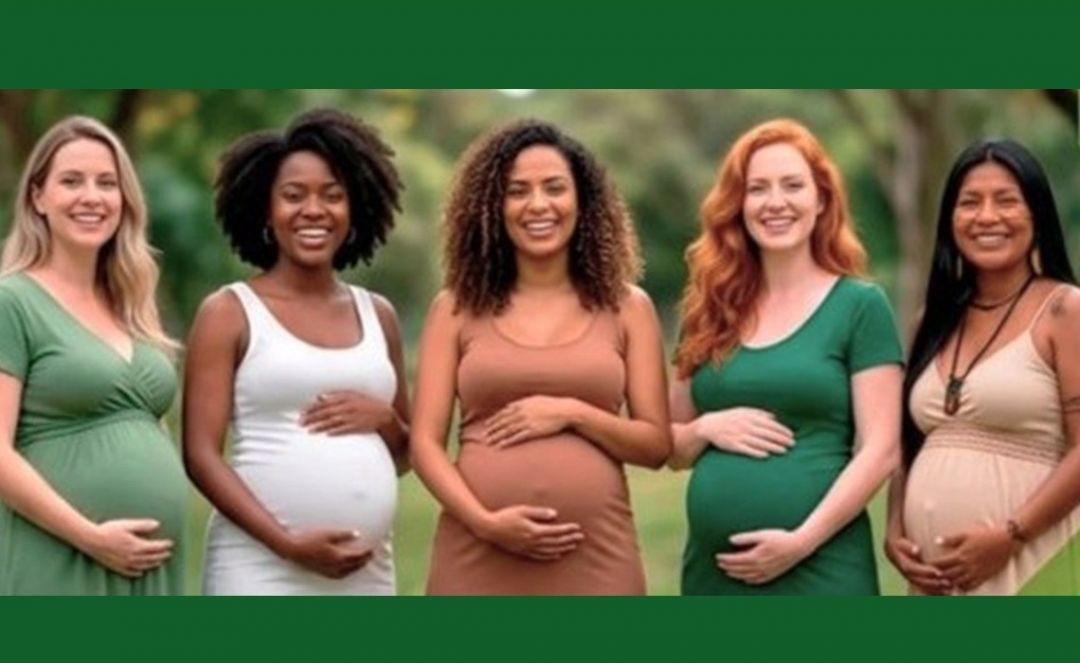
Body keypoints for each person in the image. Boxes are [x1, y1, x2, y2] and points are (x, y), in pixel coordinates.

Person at [411, 119, 671, 595]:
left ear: (582, 200)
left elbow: (656, 446)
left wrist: (571, 413)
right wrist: (485, 523)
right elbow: (425, 444)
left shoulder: (629, 307)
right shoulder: (454, 308)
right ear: (493, 206)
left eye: (554, 188)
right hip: (476, 552)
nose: (537, 205)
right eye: (517, 191)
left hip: (597, 559)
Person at [670, 118, 903, 595]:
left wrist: (800, 542)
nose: (775, 202)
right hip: (714, 579)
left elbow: (882, 450)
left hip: (822, 566)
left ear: (821, 200)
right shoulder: (708, 310)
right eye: (758, 188)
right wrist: (704, 428)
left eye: (792, 185)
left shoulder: (860, 306)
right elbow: (667, 445)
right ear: (739, 205)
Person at [183, 108, 409, 595]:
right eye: (293, 195)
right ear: (266, 210)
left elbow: (407, 454)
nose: (314, 210)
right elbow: (200, 456)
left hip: (365, 575)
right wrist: (286, 544)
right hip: (259, 565)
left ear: (355, 207)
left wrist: (386, 419)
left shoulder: (379, 315)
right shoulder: (228, 312)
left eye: (333, 195)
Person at [0, 116, 186, 595]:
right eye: (71, 181)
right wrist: (90, 537)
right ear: (38, 197)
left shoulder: (131, 303)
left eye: (107, 183)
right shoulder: (12, 302)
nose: (91, 197)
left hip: (150, 566)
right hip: (60, 556)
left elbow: (146, 424)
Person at [886, 138, 1080, 595]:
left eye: (1006, 201)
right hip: (934, 582)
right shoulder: (931, 321)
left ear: (1037, 214)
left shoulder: (1065, 311)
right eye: (970, 202)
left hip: (1034, 561)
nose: (987, 216)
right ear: (950, 219)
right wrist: (894, 528)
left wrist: (1012, 535)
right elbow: (908, 445)